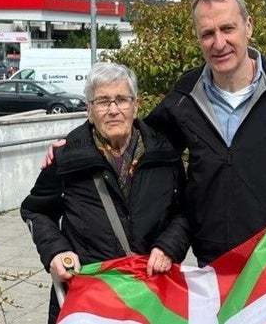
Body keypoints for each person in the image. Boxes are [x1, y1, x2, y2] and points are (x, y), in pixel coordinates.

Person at [43, 0, 266, 268]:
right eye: (207, 33)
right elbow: (141, 138)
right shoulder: (185, 96)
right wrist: (76, 145)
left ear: (248, 26)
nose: (219, 43)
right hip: (212, 257)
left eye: (228, 28)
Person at [21, 62, 189, 324]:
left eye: (121, 99)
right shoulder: (66, 157)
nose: (113, 110)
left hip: (151, 294)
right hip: (88, 296)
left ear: (135, 106)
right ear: (89, 110)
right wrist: (56, 251)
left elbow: (185, 210)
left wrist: (169, 247)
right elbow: (36, 209)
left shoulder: (164, 155)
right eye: (102, 101)